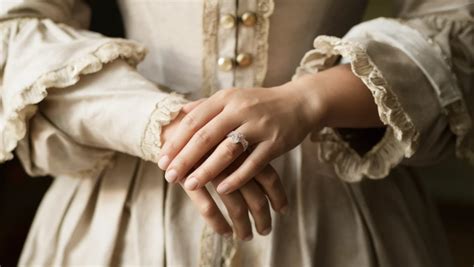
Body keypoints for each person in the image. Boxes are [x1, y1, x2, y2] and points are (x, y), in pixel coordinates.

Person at [0, 0, 472, 266]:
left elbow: (455, 24)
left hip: (335, 204)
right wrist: (162, 123)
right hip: (128, 203)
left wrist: (309, 100)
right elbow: (14, 26)